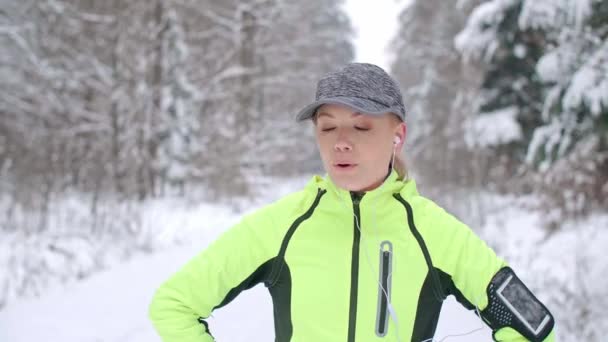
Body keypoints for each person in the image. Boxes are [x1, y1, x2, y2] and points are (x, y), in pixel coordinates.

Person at [148, 63, 556, 342]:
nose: (341, 141)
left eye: (362, 125)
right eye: (328, 127)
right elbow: (174, 305)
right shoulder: (282, 227)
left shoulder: (436, 234)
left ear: (398, 136)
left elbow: (534, 327)